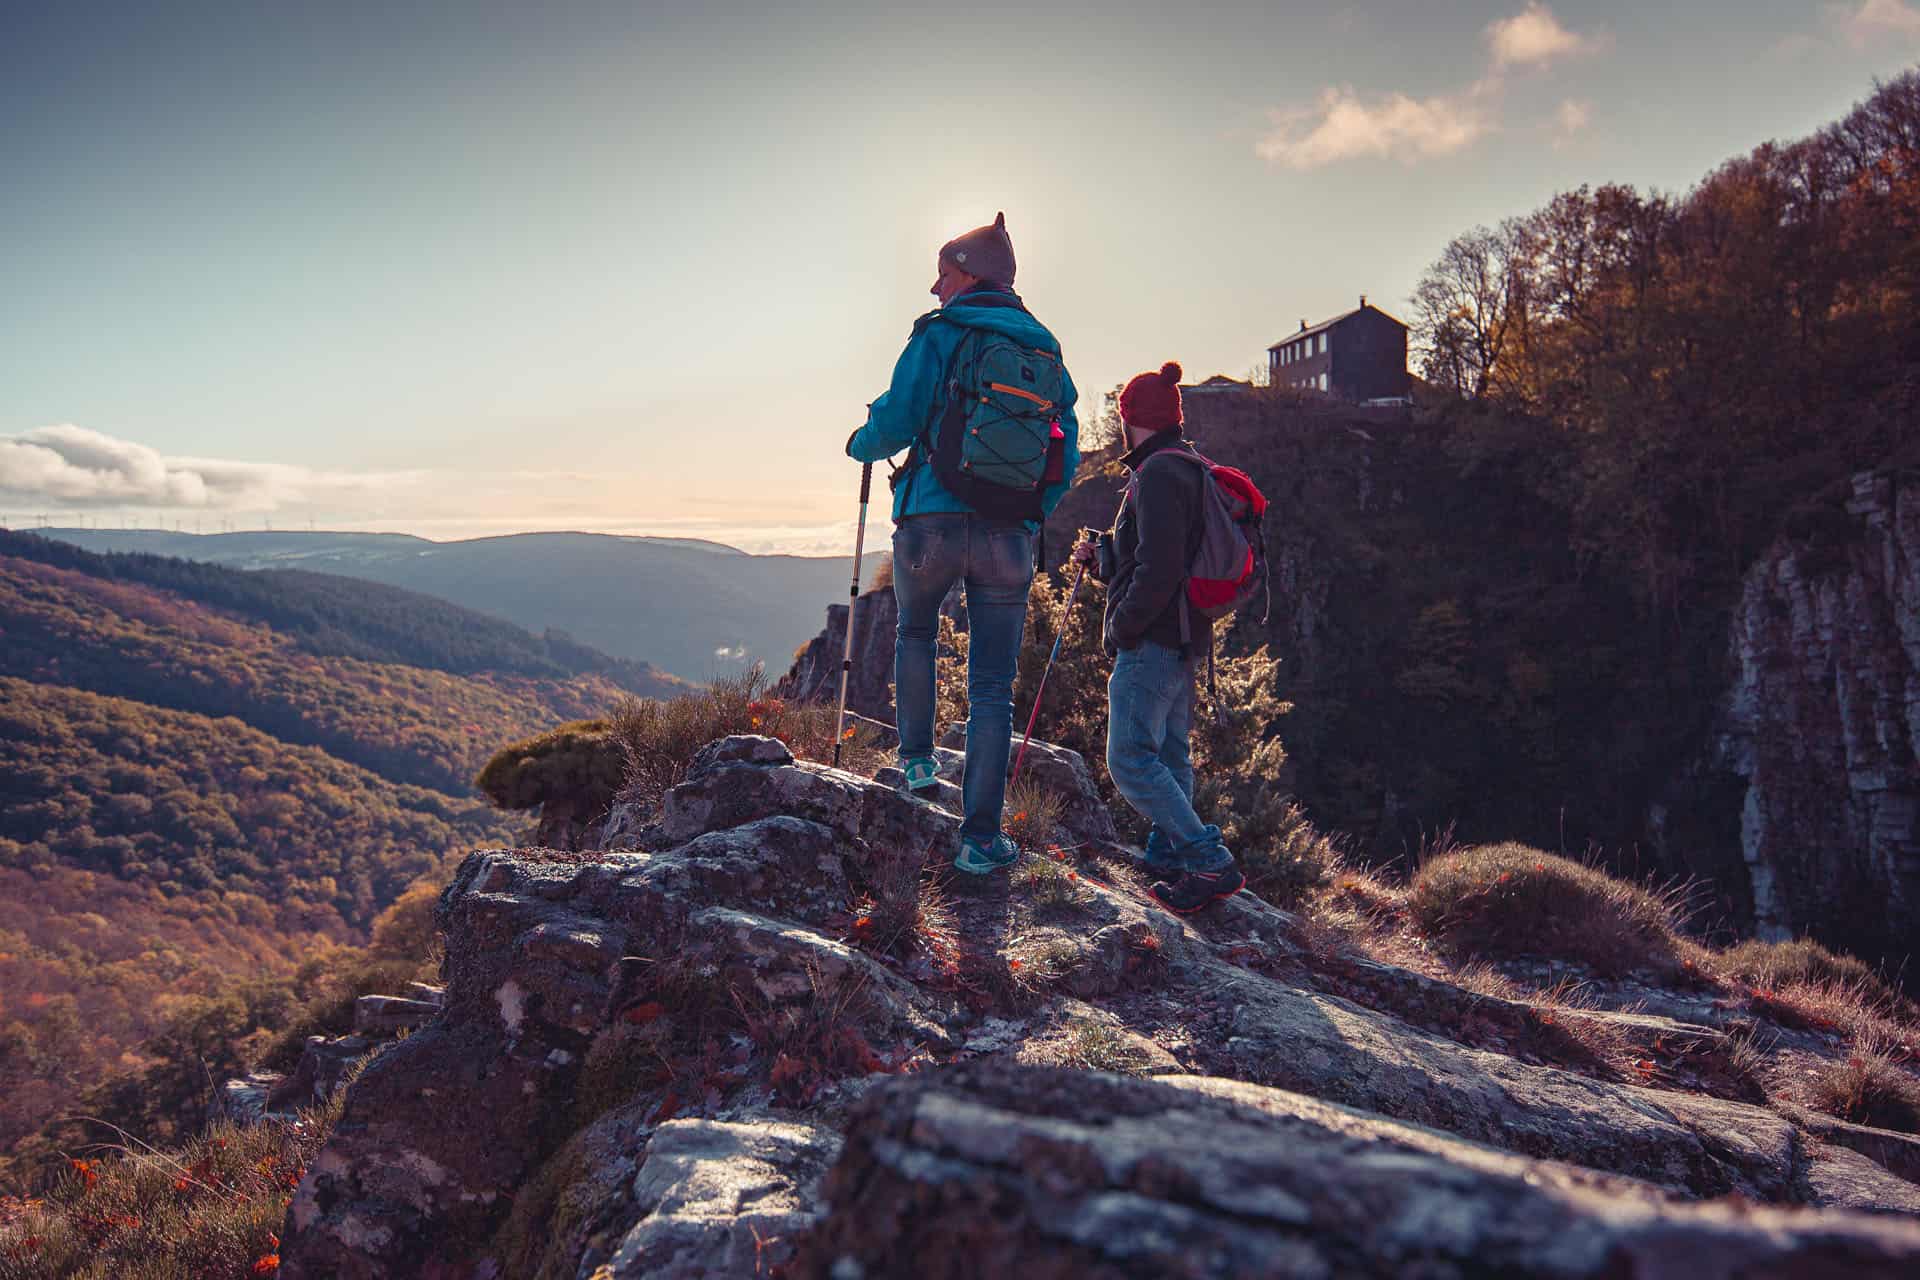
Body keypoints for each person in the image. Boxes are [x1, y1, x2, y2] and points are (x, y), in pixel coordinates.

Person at [847, 213, 1081, 875]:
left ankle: (917, 762)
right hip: (1010, 535)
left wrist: (859, 444)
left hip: (931, 519)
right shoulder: (1045, 350)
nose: (933, 287)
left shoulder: (941, 334)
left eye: (942, 273)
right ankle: (981, 840)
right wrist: (1034, 514)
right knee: (991, 690)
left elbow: (896, 419)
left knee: (915, 633)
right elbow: (1066, 450)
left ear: (969, 273)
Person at [1074, 361, 1244, 913]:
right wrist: (1105, 558)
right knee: (1171, 756)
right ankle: (1169, 857)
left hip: (1154, 640)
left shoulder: (1160, 474)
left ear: (1132, 419)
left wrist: (1122, 625)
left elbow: (1160, 566)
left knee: (1128, 757)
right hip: (1184, 635)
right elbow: (1149, 558)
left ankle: (1206, 858)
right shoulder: (1185, 465)